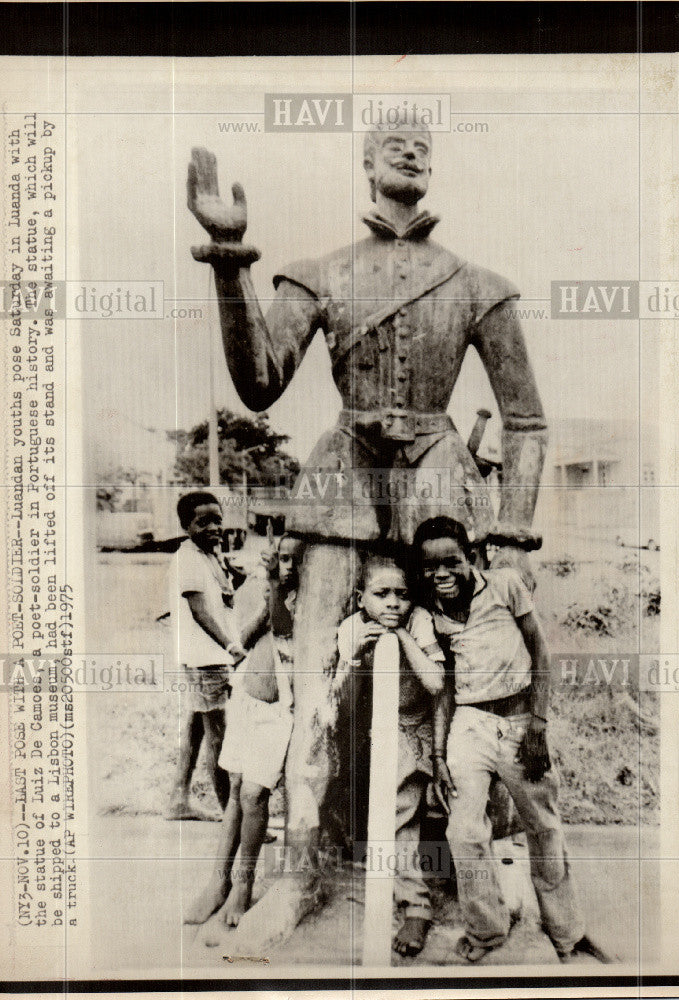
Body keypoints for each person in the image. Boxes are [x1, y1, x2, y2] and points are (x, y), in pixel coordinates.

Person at [186, 126, 548, 939]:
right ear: (367, 163)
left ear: (434, 163)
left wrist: (516, 534)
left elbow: (525, 420)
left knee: (463, 685)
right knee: (315, 680)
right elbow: (258, 383)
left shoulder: (477, 284)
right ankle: (302, 873)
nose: (410, 151)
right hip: (342, 477)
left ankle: (467, 876)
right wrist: (230, 258)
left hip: (439, 483)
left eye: (422, 142)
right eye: (393, 142)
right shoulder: (320, 275)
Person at [414, 515, 588, 964]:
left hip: (518, 722)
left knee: (543, 827)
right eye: (430, 566)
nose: (441, 574)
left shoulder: (506, 584)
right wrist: (438, 755)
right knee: (464, 830)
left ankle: (566, 930)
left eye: (451, 561)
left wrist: (539, 724)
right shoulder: (430, 610)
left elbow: (540, 651)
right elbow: (448, 685)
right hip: (468, 727)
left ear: (472, 556)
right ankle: (487, 929)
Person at [185, 533, 304, 926]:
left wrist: (270, 582)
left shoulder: (304, 601)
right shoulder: (270, 593)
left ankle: (243, 884)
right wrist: (239, 644)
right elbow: (253, 635)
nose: (288, 567)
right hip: (247, 702)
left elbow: (284, 626)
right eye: (282, 559)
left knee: (254, 795)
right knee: (235, 789)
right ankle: (217, 883)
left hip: (278, 712)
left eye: (295, 561)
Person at [336, 554, 445, 957]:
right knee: (374, 814)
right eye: (382, 594)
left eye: (401, 594)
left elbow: (434, 682)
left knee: (401, 814)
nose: (393, 603)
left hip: (414, 728)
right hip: (368, 730)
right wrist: (353, 660)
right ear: (361, 597)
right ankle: (386, 880)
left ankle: (416, 906)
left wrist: (400, 637)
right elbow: (343, 702)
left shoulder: (416, 622)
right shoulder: (351, 628)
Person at [166, 491, 248, 821]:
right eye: (204, 522)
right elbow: (200, 611)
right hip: (206, 660)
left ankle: (178, 800)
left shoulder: (209, 554)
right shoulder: (187, 559)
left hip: (209, 658)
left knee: (198, 726)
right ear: (186, 526)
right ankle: (235, 817)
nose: (214, 527)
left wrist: (236, 575)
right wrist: (231, 646)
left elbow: (224, 597)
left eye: (218, 520)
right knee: (220, 735)